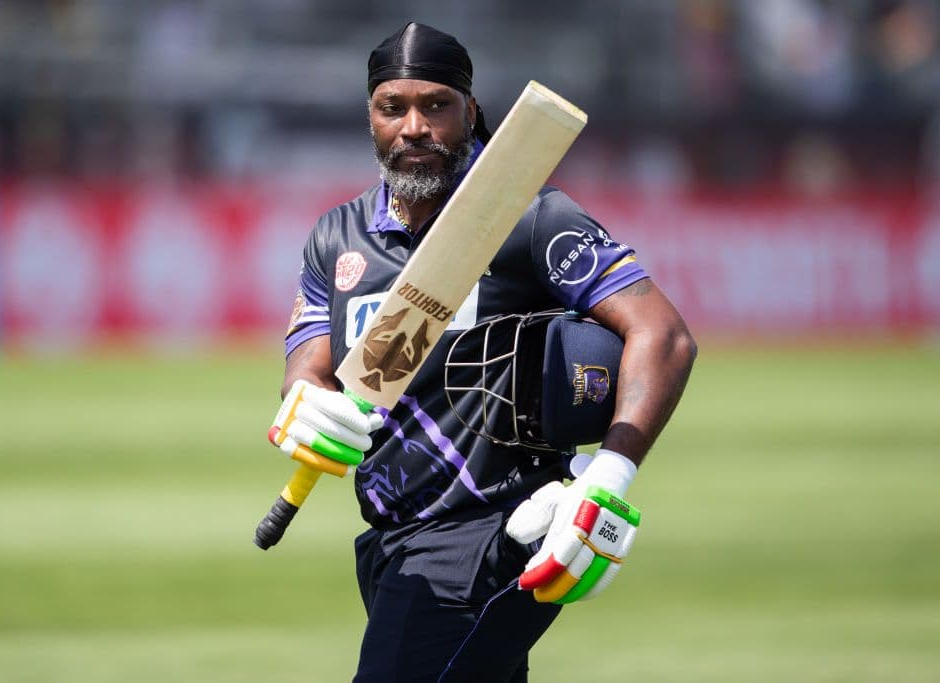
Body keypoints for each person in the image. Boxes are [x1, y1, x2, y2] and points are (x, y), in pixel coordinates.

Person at [275, 22, 697, 682]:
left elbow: (663, 335)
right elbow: (308, 367)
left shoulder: (530, 218)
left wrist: (607, 477)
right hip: (394, 543)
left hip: (499, 532)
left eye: (435, 105)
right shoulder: (337, 238)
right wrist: (305, 406)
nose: (413, 126)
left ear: (470, 112)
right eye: (393, 107)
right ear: (370, 117)